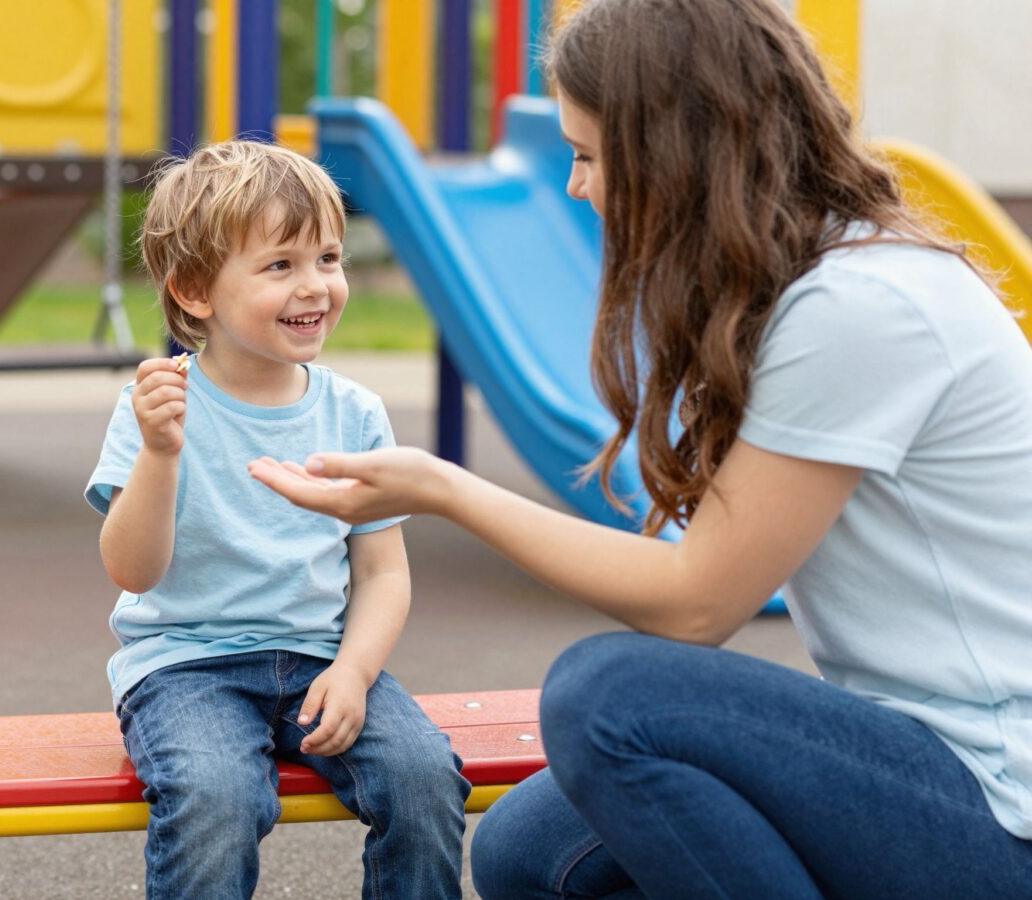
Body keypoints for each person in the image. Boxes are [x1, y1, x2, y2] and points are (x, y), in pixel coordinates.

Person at [247, 0, 1032, 896]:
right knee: (527, 855)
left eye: (586, 156)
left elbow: (699, 606)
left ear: (677, 152)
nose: (576, 186)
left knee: (608, 697)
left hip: (1001, 806)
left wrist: (444, 489)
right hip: (924, 754)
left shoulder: (861, 307)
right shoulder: (803, 287)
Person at [85, 139, 470, 899]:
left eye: (329, 258)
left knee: (424, 778)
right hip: (184, 669)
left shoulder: (354, 412)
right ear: (196, 289)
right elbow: (132, 572)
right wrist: (161, 455)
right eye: (280, 266)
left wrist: (355, 671)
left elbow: (383, 572)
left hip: (323, 659)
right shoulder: (160, 406)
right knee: (217, 798)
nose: (317, 286)